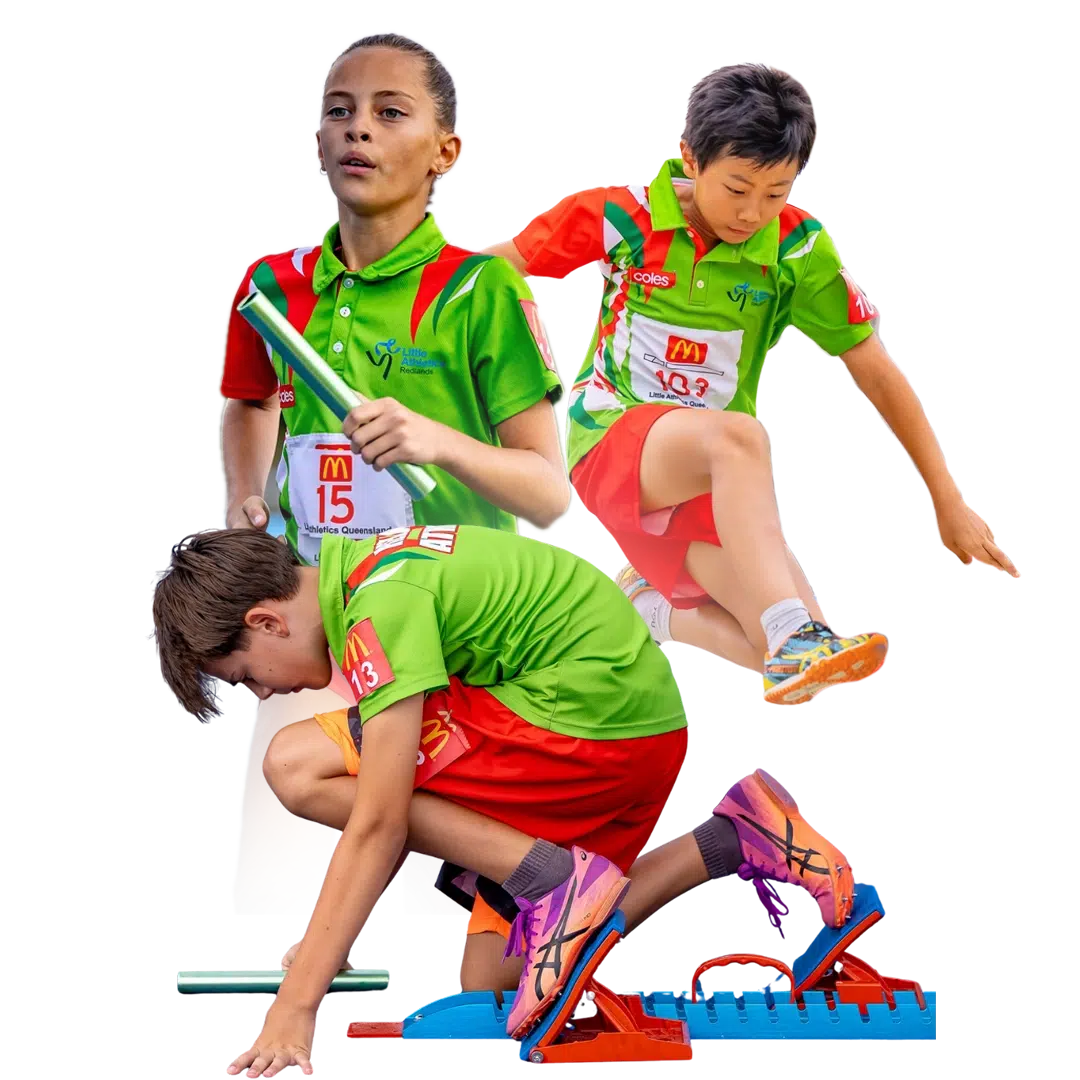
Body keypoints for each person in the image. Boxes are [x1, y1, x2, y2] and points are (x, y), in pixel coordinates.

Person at [150, 526, 857, 1076]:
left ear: (267, 622)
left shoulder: (378, 607)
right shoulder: (364, 571)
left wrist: (296, 1006)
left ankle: (551, 878)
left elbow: (380, 823)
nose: (266, 693)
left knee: (296, 765)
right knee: (491, 992)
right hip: (613, 733)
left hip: (593, 725)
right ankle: (736, 836)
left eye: (246, 677)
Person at [486, 63, 1020, 707]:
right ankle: (787, 630)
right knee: (741, 447)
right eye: (737, 188)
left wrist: (947, 500)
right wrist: (521, 393)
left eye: (776, 193)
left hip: (713, 480)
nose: (753, 213)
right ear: (690, 159)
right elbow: (490, 281)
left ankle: (647, 608)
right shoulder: (619, 216)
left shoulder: (797, 252)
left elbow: (878, 373)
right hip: (611, 443)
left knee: (805, 656)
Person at [218, 32, 570, 926]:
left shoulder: (484, 292)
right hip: (316, 619)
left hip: (452, 636)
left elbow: (547, 492)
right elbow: (252, 400)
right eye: (339, 112)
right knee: (275, 888)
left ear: (445, 153)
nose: (357, 132)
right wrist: (242, 490)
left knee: (435, 908)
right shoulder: (270, 285)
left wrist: (436, 441)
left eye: (388, 113)